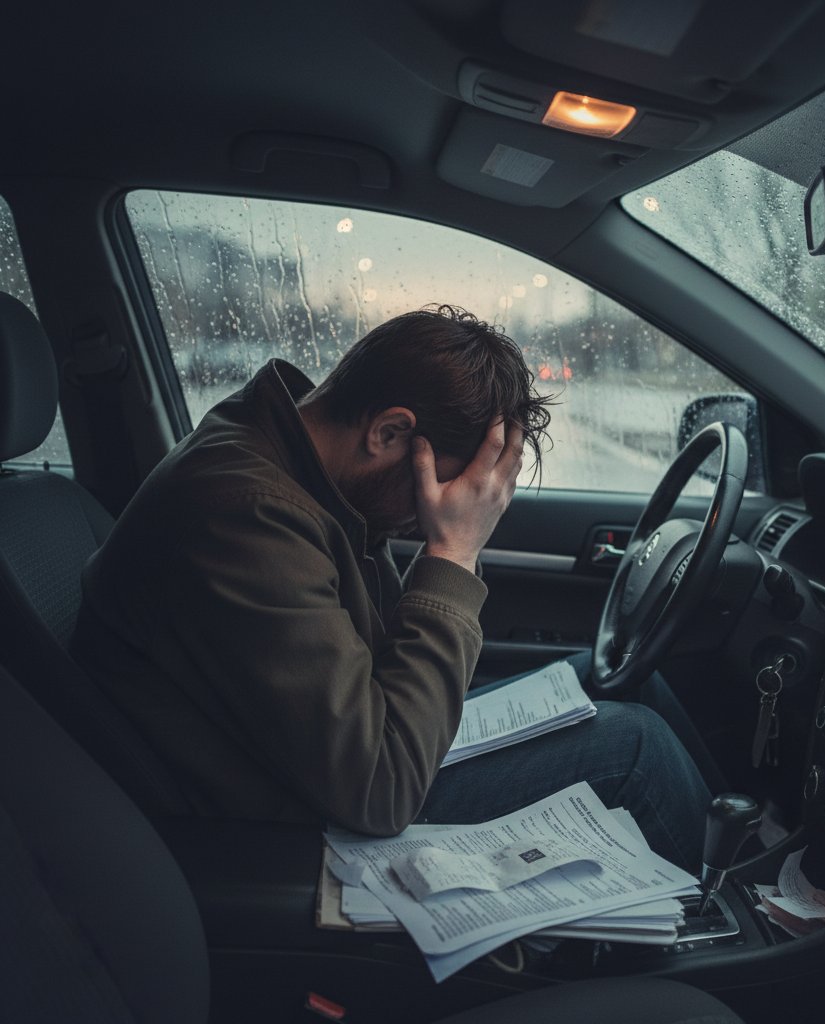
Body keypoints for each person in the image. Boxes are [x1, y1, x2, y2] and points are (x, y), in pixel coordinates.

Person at [71, 305, 714, 870]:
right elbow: (379, 788)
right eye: (443, 487)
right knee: (638, 749)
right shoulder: (243, 512)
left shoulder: (295, 463)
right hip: (299, 822)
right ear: (388, 433)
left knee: (629, 679)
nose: (436, 509)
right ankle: (734, 952)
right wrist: (454, 552)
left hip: (338, 751)